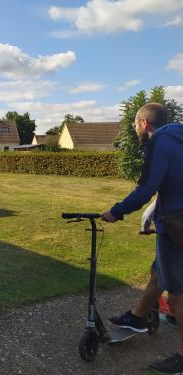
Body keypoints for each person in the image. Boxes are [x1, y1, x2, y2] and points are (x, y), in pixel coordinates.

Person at [101, 103, 183, 374]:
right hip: (174, 218)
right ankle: (137, 318)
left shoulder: (158, 142)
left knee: (177, 297)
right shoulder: (179, 137)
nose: (135, 127)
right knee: (158, 273)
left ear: (144, 123)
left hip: (176, 226)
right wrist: (150, 215)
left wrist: (117, 211)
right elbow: (172, 183)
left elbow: (147, 186)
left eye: (135, 123)